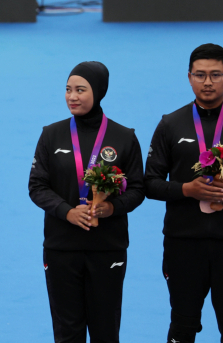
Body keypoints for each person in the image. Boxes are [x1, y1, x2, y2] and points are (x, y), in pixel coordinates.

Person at [144, 43, 223, 343]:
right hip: (184, 243)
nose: (207, 82)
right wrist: (186, 189)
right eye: (200, 74)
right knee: (182, 328)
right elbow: (150, 183)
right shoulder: (170, 124)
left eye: (215, 74)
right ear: (189, 77)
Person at [28, 62, 145, 343]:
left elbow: (138, 188)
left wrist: (111, 208)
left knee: (106, 331)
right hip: (61, 248)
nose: (72, 96)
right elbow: (37, 186)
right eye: (68, 90)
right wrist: (67, 212)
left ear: (99, 91)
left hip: (107, 248)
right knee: (67, 332)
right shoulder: (51, 134)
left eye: (81, 90)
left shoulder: (123, 137)